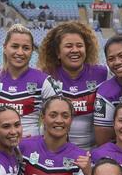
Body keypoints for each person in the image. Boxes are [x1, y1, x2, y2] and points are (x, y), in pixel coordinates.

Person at [0, 25, 59, 137]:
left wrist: (40, 141)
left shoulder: (44, 81)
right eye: (15, 46)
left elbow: (57, 118)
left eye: (26, 48)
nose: (20, 52)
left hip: (32, 149)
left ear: (32, 51)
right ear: (5, 48)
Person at [37, 21, 108, 150]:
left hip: (91, 152)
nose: (75, 50)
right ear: (58, 52)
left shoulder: (102, 73)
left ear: (86, 49)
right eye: (68, 46)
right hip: (54, 151)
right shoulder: (45, 76)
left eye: (79, 45)